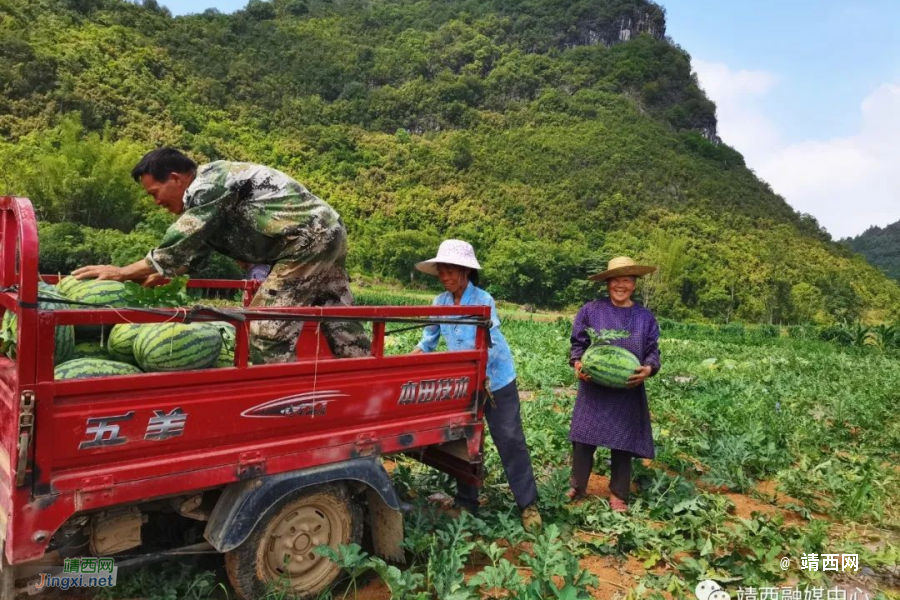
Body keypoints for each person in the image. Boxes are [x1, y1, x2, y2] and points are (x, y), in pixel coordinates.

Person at [72, 148, 370, 363]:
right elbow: (199, 243)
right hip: (324, 233)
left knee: (266, 330)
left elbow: (185, 235)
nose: (156, 202)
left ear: (176, 178)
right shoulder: (211, 194)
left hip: (304, 240)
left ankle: (284, 405)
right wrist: (168, 271)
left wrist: (123, 271)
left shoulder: (207, 183)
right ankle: (365, 382)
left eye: (154, 192)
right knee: (340, 318)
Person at [411, 239, 542, 531]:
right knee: (465, 440)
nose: (445, 277)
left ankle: (528, 505)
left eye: (451, 271)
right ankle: (466, 501)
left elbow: (490, 340)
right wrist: (406, 362)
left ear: (466, 272)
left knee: (509, 438)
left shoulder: (483, 300)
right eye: (441, 271)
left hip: (495, 380)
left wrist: (480, 370)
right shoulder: (439, 303)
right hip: (464, 385)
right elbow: (428, 341)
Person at [568, 256, 661, 512]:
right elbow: (578, 345)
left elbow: (653, 351)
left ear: (634, 284)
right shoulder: (591, 311)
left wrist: (648, 369)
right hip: (594, 387)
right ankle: (577, 485)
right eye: (616, 280)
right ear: (607, 283)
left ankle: (618, 493)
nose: (621, 285)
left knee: (623, 441)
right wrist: (578, 364)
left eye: (627, 280)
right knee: (584, 437)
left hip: (627, 388)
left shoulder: (644, 317)